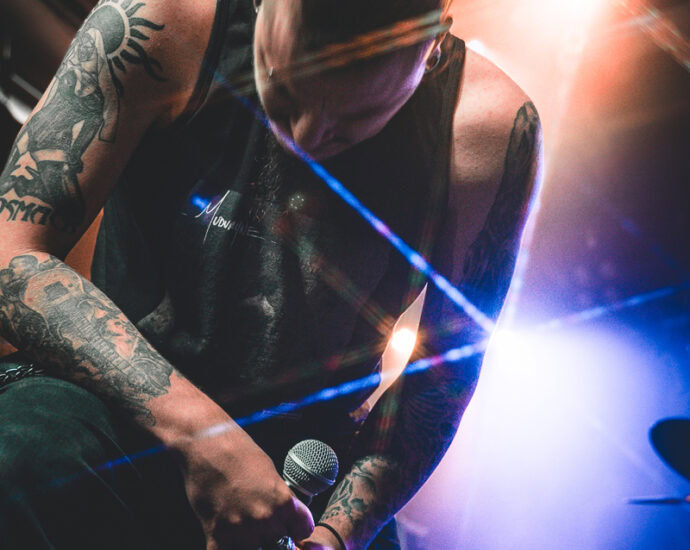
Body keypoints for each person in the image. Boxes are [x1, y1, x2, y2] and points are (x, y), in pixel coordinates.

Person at [0, 0, 542, 548]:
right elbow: (12, 252)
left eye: (352, 121)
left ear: (432, 50)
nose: (306, 135)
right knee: (19, 460)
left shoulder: (487, 130)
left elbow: (443, 376)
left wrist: (335, 536)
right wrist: (203, 436)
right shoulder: (160, 19)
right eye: (282, 90)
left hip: (307, 467)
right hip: (114, 402)